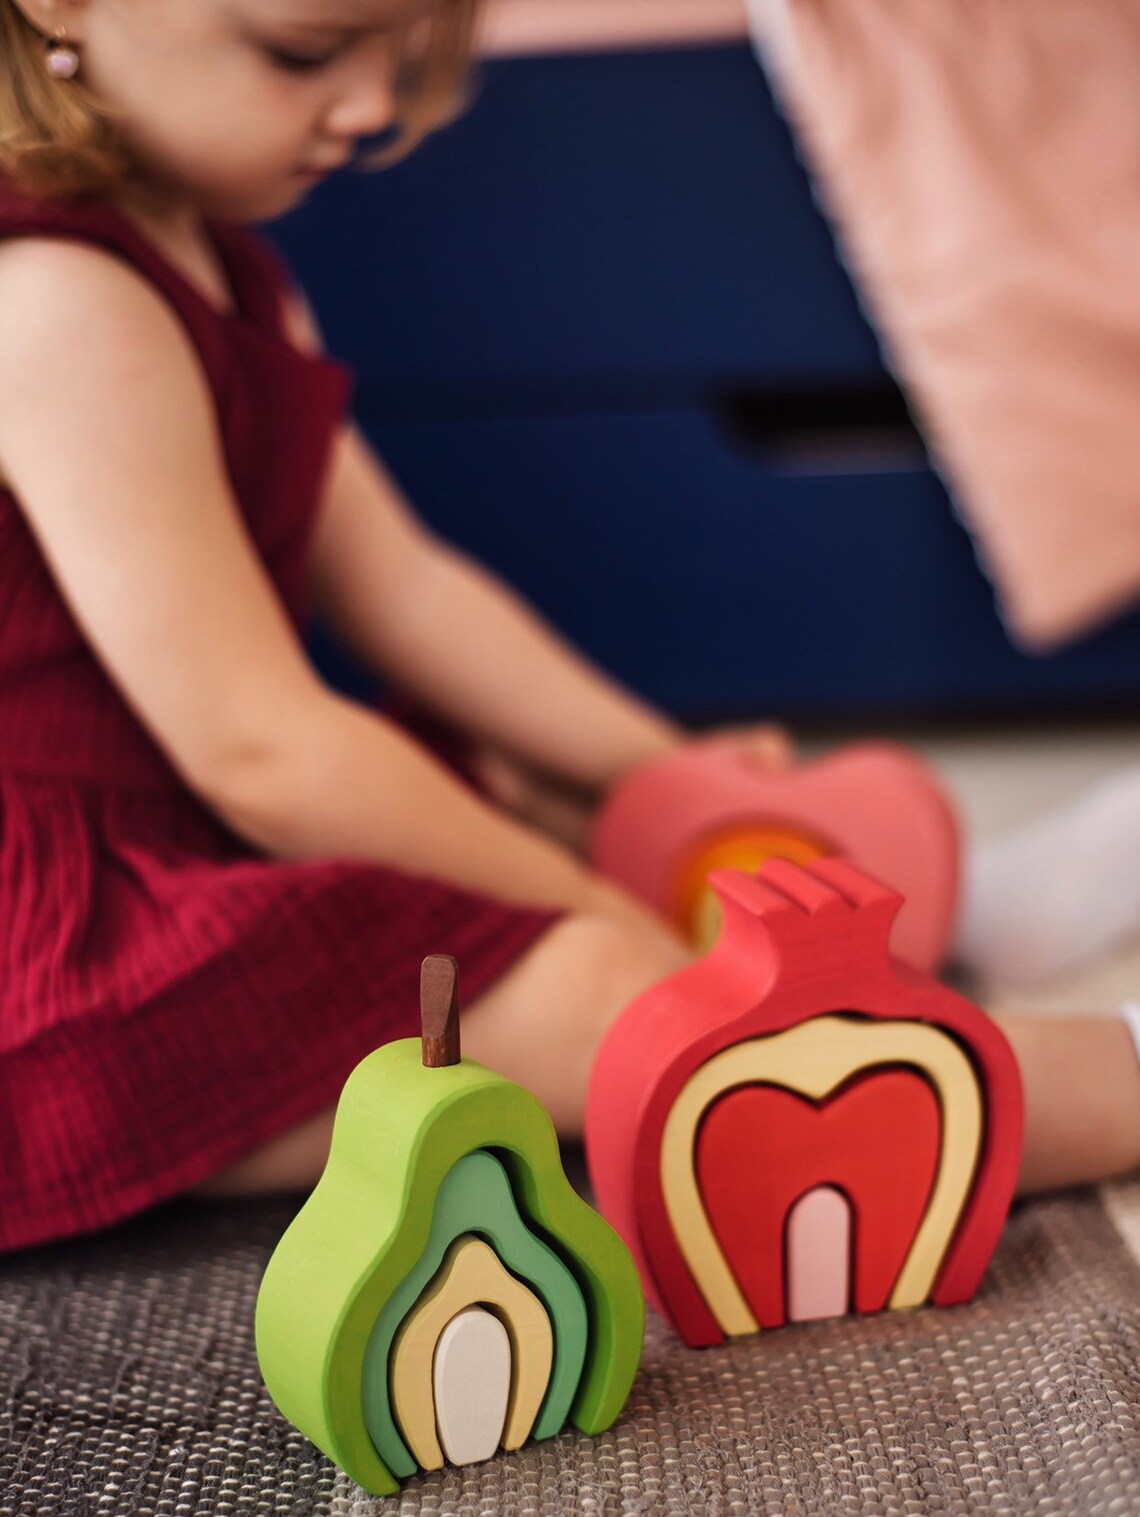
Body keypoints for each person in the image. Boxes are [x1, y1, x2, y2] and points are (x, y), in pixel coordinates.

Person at [0, 0, 1135, 1254]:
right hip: (67, 966)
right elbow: (262, 753)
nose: (371, 105)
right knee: (629, 1000)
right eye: (306, 54)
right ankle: (1106, 1076)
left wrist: (666, 778)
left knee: (554, 797)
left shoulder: (220, 261)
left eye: (401, 52)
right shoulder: (59, 304)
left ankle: (950, 921)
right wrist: (601, 917)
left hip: (185, 838)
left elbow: (406, 587)